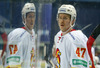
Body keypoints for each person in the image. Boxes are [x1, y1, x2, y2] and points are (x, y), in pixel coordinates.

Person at [4, 2, 36, 68]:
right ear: (24, 18)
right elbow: (13, 62)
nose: (32, 20)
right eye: (30, 16)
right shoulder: (18, 35)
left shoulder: (33, 34)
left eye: (33, 16)